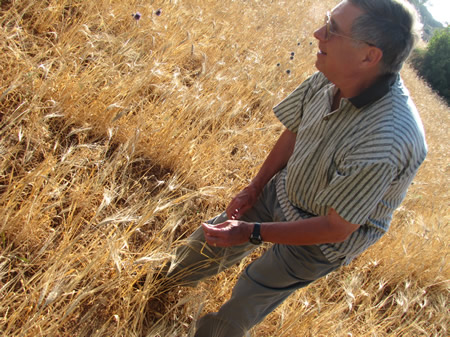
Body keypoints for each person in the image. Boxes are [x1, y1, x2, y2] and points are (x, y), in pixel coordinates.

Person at [163, 1, 427, 336]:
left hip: (322, 241)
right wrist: (256, 186)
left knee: (247, 299)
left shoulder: (388, 139)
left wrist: (251, 232)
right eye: (326, 21)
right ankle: (155, 287)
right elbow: (295, 130)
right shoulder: (329, 75)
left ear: (369, 56)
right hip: (285, 190)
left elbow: (336, 227)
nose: (319, 34)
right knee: (207, 243)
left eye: (332, 28)